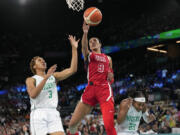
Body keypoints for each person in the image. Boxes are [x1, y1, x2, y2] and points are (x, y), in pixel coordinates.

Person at [68, 22, 116, 135]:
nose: (92, 41)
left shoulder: (108, 58)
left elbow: (111, 75)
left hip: (104, 89)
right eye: (90, 41)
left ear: (100, 44)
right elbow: (84, 48)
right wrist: (85, 33)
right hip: (90, 89)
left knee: (108, 125)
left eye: (95, 40)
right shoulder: (89, 56)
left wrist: (111, 77)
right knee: (72, 125)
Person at [26, 35, 79, 135]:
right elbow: (33, 94)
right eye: (39, 60)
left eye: (43, 60)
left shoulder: (53, 76)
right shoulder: (31, 79)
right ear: (34, 66)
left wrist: (74, 48)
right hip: (38, 113)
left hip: (53, 112)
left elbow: (73, 69)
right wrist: (46, 77)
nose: (43, 61)